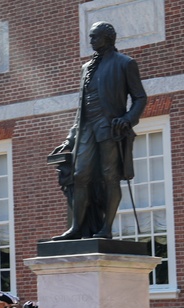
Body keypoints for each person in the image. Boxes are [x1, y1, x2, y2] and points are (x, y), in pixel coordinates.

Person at [52, 21, 147, 240]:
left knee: (110, 177)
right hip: (87, 127)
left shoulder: (125, 63)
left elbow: (140, 97)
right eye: (91, 37)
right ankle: (76, 228)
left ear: (107, 38)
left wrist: (127, 119)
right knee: (79, 175)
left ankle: (106, 228)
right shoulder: (86, 68)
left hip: (109, 127)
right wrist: (71, 136)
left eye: (95, 37)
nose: (91, 40)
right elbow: (81, 107)